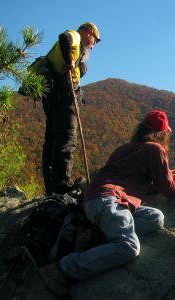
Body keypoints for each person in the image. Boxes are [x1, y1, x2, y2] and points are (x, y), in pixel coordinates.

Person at [40, 110, 175, 296]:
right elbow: (172, 191)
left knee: (155, 218)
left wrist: (162, 178)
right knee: (129, 247)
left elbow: (131, 182)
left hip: (98, 199)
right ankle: (64, 269)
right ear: (162, 134)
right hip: (109, 201)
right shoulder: (155, 150)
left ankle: (99, 236)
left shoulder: (124, 149)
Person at [41, 22, 101, 195]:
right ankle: (62, 184)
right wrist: (70, 62)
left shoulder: (75, 48)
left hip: (52, 94)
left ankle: (51, 186)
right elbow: (64, 37)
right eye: (94, 41)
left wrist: (77, 66)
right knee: (67, 140)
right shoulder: (74, 35)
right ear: (89, 33)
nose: (93, 45)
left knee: (52, 140)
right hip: (64, 93)